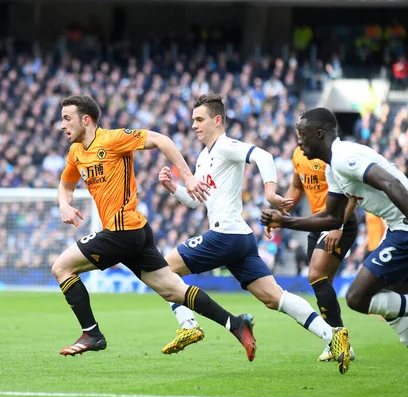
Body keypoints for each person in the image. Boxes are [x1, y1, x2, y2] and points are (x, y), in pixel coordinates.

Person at [157, 94, 352, 374]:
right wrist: (172, 186)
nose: (194, 126)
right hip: (239, 239)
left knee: (162, 270)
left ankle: (188, 325)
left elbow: (263, 155)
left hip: (225, 235)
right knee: (275, 297)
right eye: (192, 121)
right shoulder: (203, 157)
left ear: (217, 120)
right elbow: (196, 200)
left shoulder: (225, 146)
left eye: (199, 120)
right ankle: (334, 336)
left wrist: (270, 191)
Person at [53, 95, 256, 359]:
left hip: (121, 230)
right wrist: (64, 205)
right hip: (135, 234)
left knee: (61, 267)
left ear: (86, 120)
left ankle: (92, 333)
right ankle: (236, 324)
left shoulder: (113, 139)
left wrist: (187, 176)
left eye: (67, 118)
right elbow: (65, 185)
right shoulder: (76, 153)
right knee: (173, 290)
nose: (62, 125)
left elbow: (162, 140)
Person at [261, 107, 408, 352]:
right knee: (390, 291)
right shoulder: (332, 168)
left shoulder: (345, 156)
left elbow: (391, 183)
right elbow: (331, 218)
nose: (298, 140)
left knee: (357, 297)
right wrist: (284, 222)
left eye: (302, 134)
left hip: (403, 227)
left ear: (319, 134)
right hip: (396, 228)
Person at [268, 146, 358, 362]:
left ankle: (339, 341)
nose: (300, 135)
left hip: (338, 221)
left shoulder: (331, 156)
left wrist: (338, 226)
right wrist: (280, 215)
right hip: (315, 222)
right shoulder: (299, 154)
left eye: (303, 130)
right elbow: (296, 186)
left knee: (315, 275)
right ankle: (337, 342)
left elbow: (352, 193)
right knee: (322, 282)